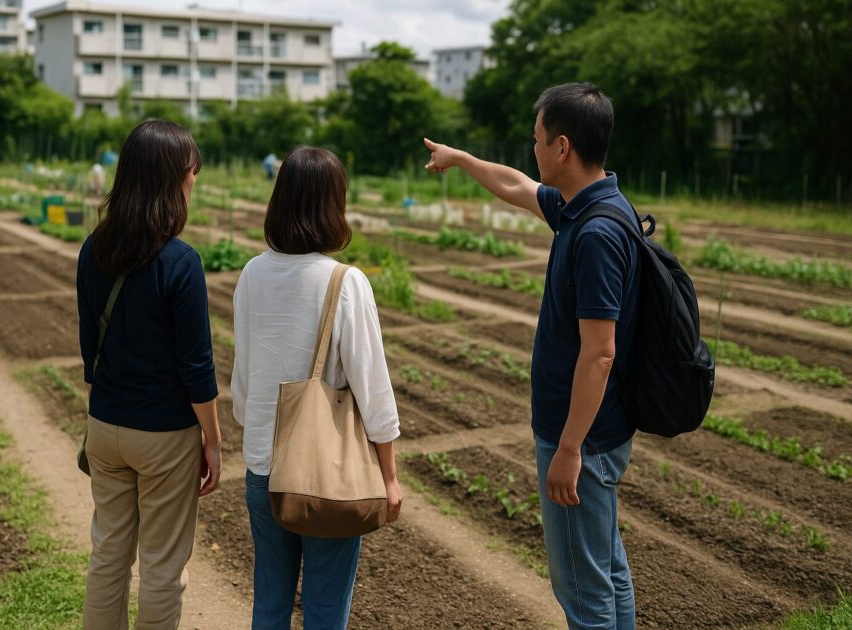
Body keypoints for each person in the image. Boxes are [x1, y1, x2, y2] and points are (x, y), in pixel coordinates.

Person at [424, 82, 640, 629]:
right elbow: (516, 185)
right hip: (597, 431)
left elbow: (600, 354)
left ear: (562, 147)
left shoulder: (594, 233)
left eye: (538, 140)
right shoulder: (589, 206)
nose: (534, 151)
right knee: (607, 569)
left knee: (583, 591)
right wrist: (463, 159)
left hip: (582, 438)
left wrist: (569, 448)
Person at [231, 146, 403, 629]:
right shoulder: (344, 283)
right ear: (334, 204)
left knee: (269, 601)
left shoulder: (251, 274)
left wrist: (260, 433)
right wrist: (388, 476)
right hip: (324, 477)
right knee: (326, 609)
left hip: (263, 468)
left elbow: (242, 384)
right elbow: (373, 390)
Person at [77, 119, 222, 630]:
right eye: (190, 172)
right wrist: (213, 441)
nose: (194, 181)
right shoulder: (181, 263)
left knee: (109, 554)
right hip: (163, 436)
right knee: (162, 567)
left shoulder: (93, 249)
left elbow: (89, 354)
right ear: (171, 179)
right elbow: (197, 368)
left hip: (106, 429)